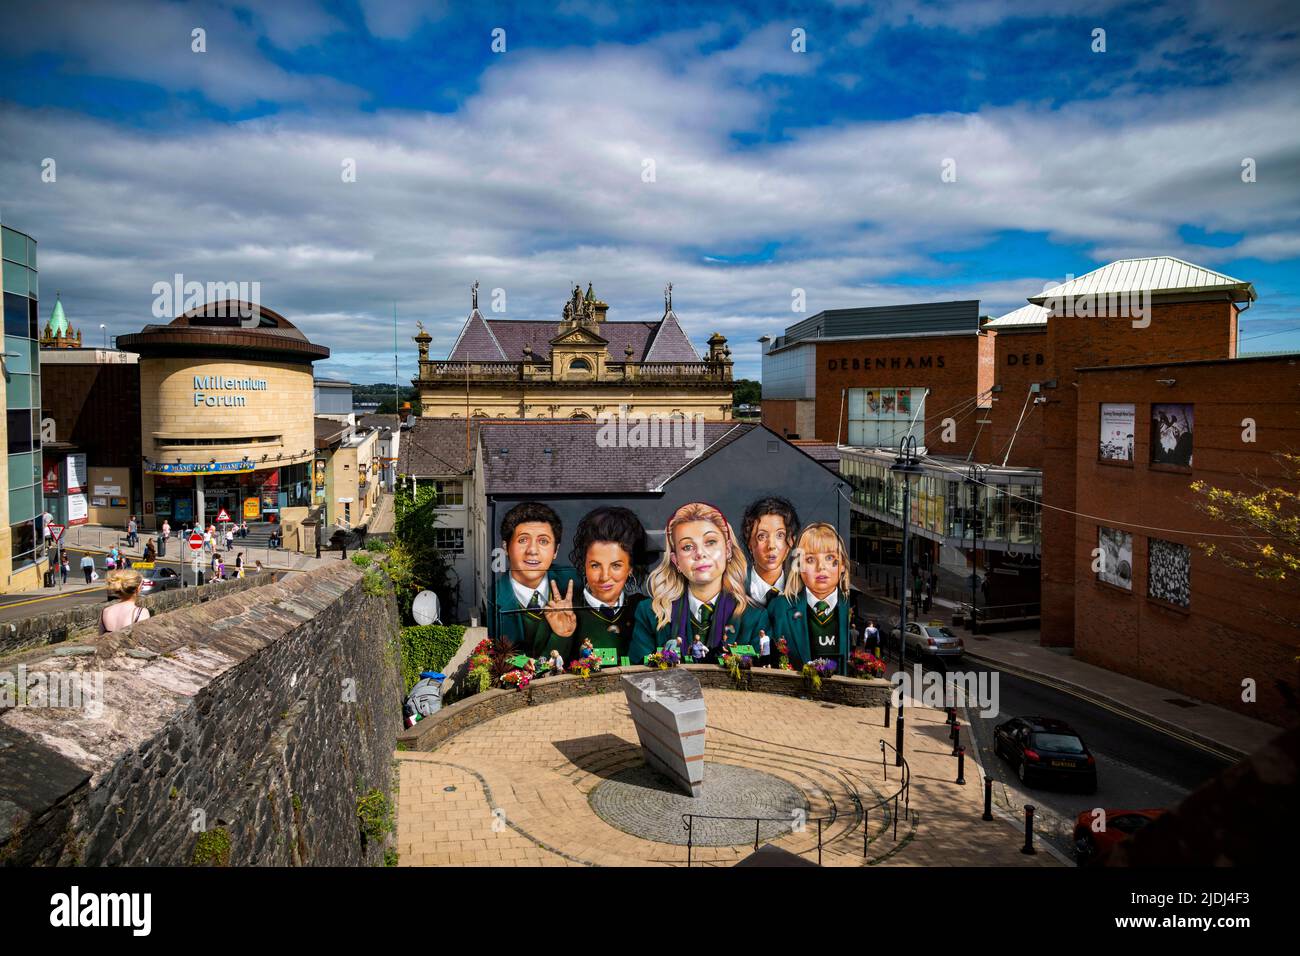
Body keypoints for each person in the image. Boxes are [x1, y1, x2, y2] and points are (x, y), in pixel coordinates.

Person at [630, 502, 765, 666]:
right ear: (676, 560)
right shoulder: (650, 613)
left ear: (728, 550)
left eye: (710, 542)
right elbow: (638, 675)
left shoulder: (755, 617)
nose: (700, 553)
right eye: (687, 547)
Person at [485, 501, 579, 658]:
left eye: (543, 541)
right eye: (522, 540)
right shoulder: (491, 599)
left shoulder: (576, 584)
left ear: (555, 550)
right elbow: (498, 656)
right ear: (506, 547)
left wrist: (562, 635)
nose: (532, 551)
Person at [766, 522, 852, 672]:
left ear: (843, 565)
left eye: (830, 557)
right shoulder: (779, 607)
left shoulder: (850, 606)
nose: (821, 567)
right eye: (811, 559)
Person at [567, 506, 647, 664]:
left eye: (616, 565)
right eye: (595, 565)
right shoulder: (565, 609)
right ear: (584, 565)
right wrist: (560, 635)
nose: (604, 577)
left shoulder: (643, 608)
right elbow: (521, 659)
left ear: (630, 568)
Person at [742, 497, 799, 610]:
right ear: (749, 542)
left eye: (780, 535)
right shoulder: (734, 589)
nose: (771, 545)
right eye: (761, 536)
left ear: (791, 541)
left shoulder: (801, 591)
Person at [99, 569, 152, 634]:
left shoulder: (105, 611)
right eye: (141, 586)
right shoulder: (141, 612)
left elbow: (100, 637)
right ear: (137, 589)